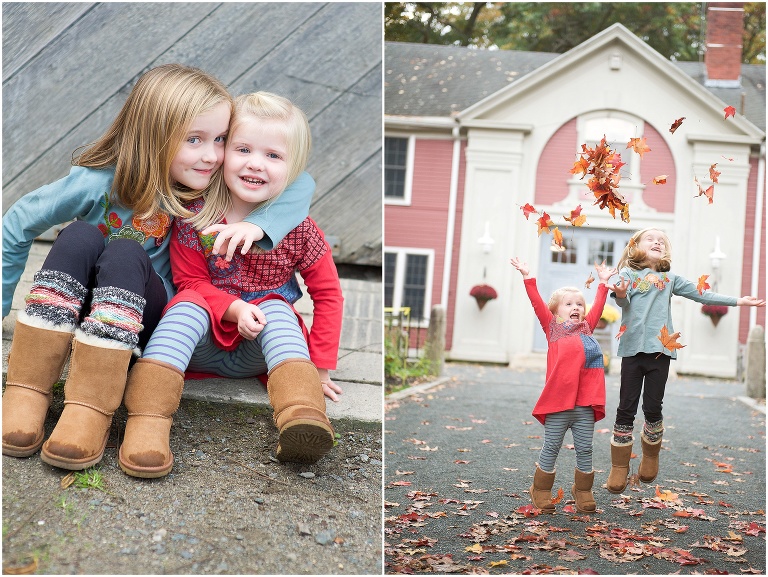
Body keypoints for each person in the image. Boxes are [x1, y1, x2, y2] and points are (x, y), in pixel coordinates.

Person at [2, 64, 314, 470]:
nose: (211, 155)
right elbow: (17, 222)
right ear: (154, 136)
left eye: (220, 139)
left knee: (125, 253)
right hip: (78, 308)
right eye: (195, 139)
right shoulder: (98, 183)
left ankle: (89, 409)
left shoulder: (203, 184)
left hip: (139, 320)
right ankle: (26, 390)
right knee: (77, 237)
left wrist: (258, 226)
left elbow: (301, 182)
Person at [118, 91, 343, 478]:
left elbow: (329, 294)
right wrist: (233, 308)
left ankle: (301, 412)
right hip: (199, 347)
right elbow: (189, 280)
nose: (256, 163)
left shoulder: (300, 229)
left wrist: (320, 368)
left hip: (261, 352)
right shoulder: (197, 215)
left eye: (273, 155)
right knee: (187, 303)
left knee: (277, 308)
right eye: (243, 149)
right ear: (224, 153)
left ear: (294, 169)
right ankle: (146, 420)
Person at [605, 228, 766, 493]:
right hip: (632, 351)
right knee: (626, 408)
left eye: (661, 241)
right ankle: (619, 467)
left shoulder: (670, 279)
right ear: (635, 246)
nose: (657, 242)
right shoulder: (627, 275)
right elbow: (622, 302)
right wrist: (621, 294)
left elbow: (702, 294)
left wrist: (738, 301)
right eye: (650, 239)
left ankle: (651, 455)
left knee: (653, 408)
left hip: (661, 352)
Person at [510, 257, 617, 513]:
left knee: (585, 449)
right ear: (556, 311)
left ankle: (583, 491)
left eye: (579, 303)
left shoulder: (587, 328)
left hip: (585, 404)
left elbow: (598, 306)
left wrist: (603, 283)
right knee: (552, 447)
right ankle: (541, 489)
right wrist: (527, 277)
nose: (575, 307)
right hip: (558, 403)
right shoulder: (553, 329)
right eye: (568, 304)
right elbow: (536, 303)